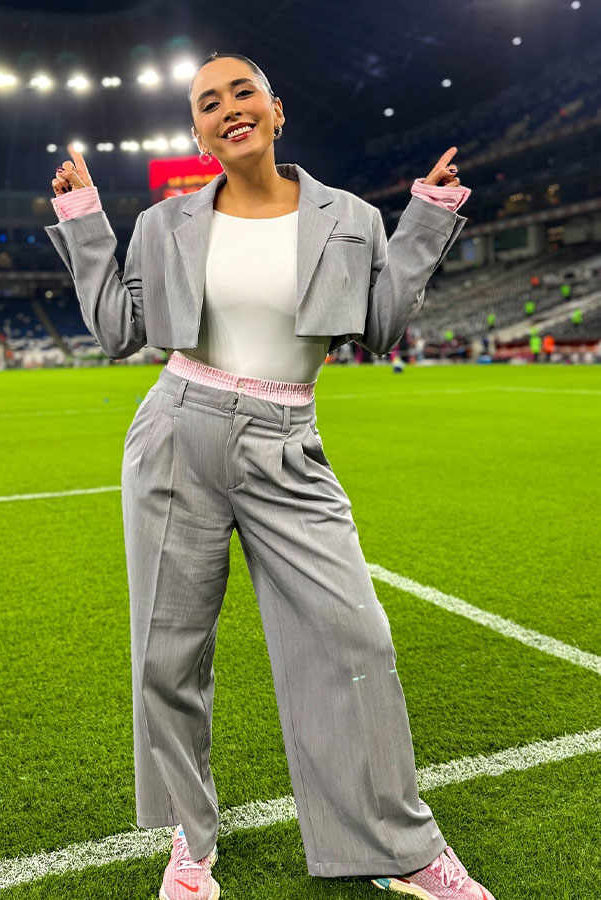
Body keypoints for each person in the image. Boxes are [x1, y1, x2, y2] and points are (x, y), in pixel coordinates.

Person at [45, 51, 495, 900]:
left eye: (242, 92)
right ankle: (191, 837)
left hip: (290, 439)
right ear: (197, 131)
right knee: (168, 654)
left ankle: (399, 849)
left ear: (277, 109)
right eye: (208, 102)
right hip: (178, 430)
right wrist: (85, 219)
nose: (228, 109)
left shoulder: (352, 218)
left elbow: (382, 325)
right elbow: (117, 331)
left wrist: (426, 218)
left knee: (354, 639)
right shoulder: (164, 222)